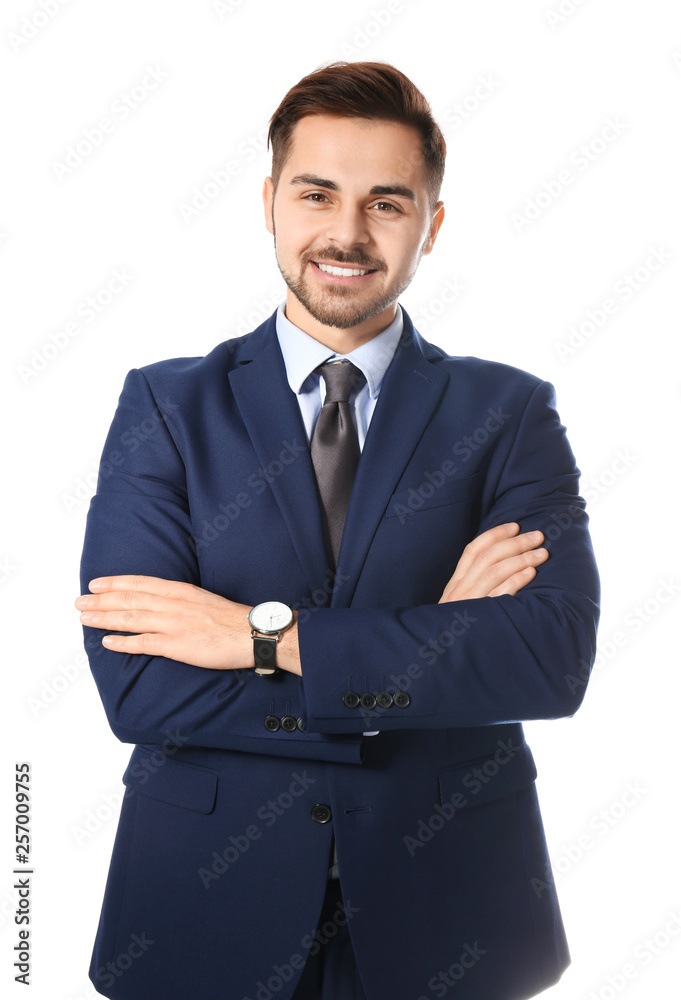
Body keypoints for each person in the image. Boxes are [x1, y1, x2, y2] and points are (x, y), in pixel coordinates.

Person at [76, 60, 600, 1000]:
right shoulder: (163, 404)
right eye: (318, 194)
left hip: (453, 916)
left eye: (387, 204)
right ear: (272, 202)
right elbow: (139, 690)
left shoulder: (510, 410)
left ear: (430, 225)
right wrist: (430, 651)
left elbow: (548, 661)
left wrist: (253, 638)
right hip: (201, 908)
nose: (347, 234)